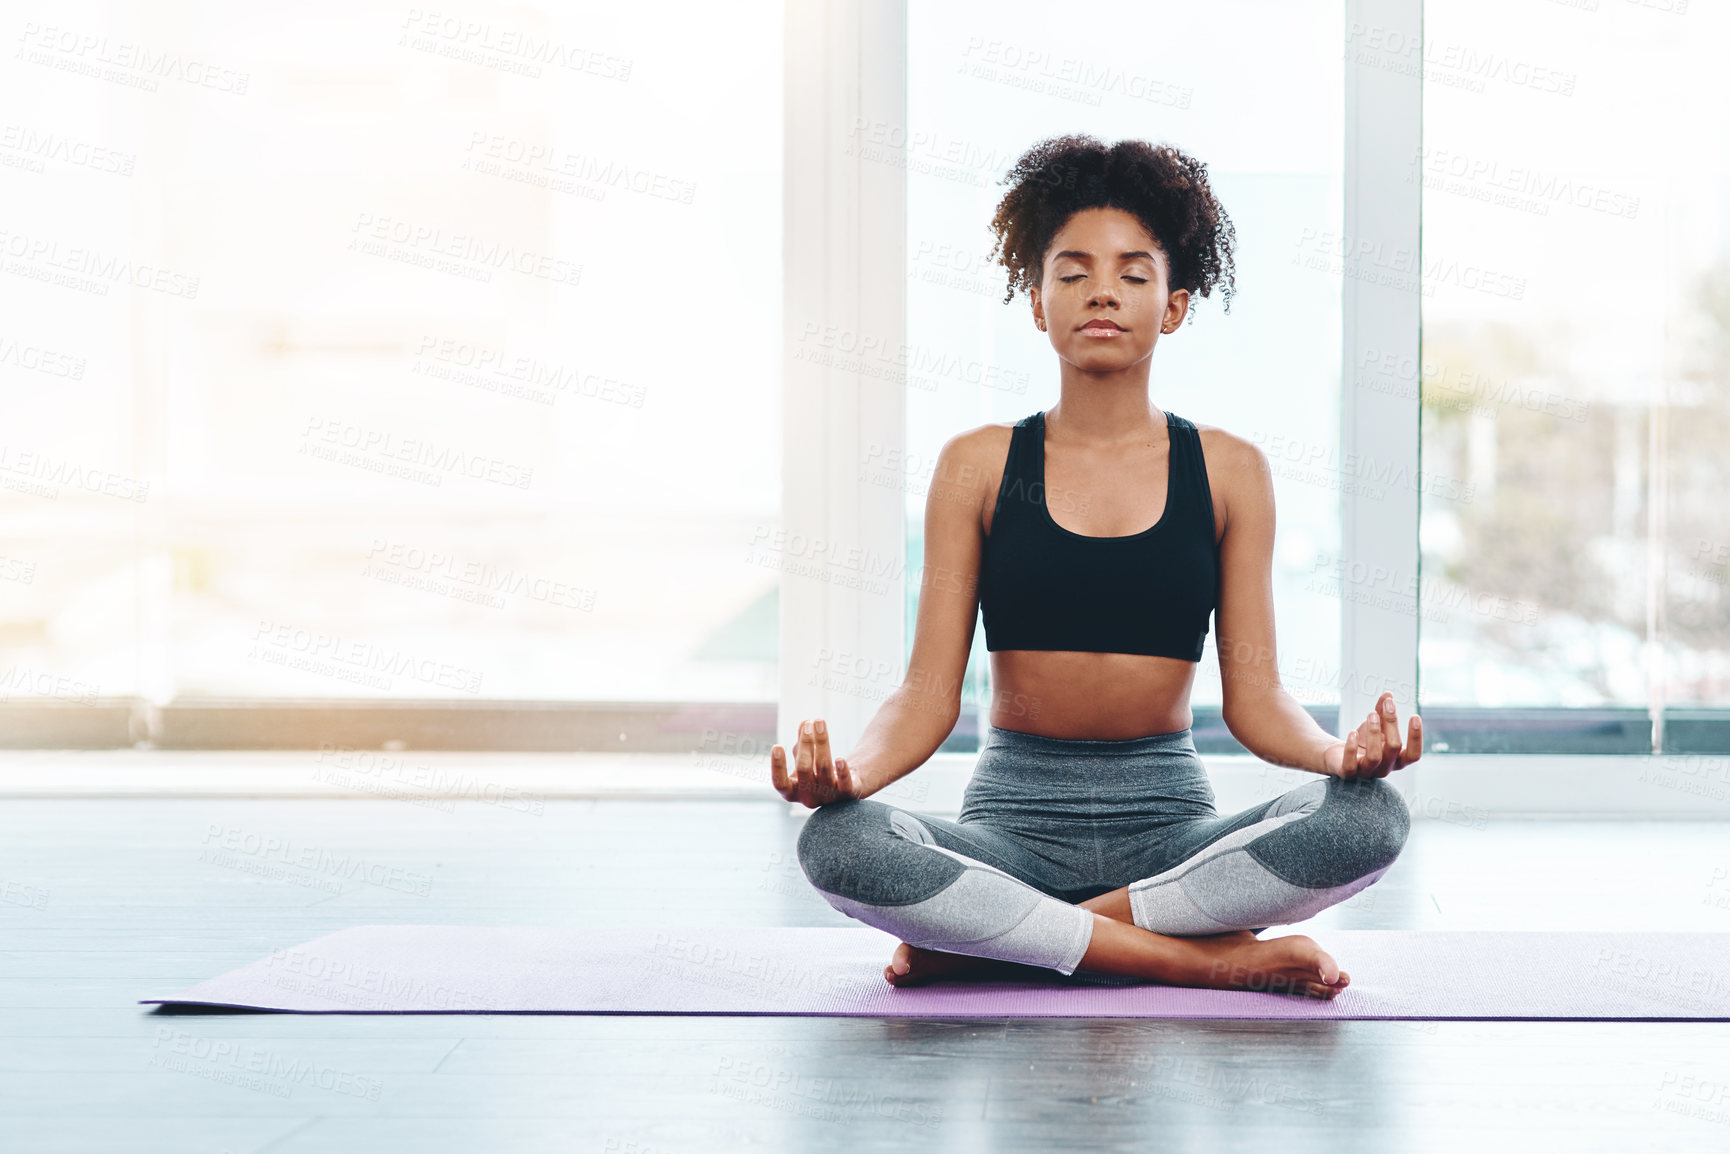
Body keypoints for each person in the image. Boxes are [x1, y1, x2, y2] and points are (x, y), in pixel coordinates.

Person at [769, 135, 1422, 998]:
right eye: (1072, 273)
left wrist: (1339, 758)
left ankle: (993, 942)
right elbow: (928, 696)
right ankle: (1203, 959)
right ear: (1037, 304)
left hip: (1171, 832)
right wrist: (850, 777)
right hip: (1010, 829)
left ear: (1177, 305)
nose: (1102, 291)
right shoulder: (979, 464)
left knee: (1369, 820)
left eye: (1133, 273)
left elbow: (1257, 701)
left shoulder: (1230, 470)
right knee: (836, 843)